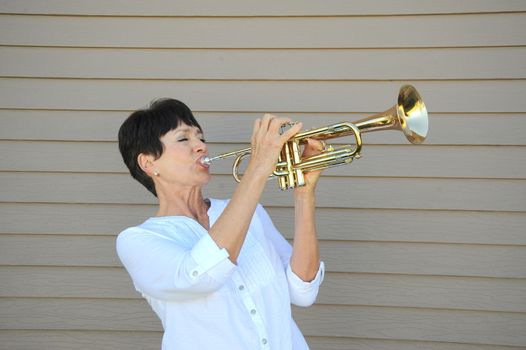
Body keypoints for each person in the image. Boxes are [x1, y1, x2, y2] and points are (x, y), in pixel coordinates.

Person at [116, 98, 325, 350]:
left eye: (201, 138)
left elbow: (302, 291)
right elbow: (201, 276)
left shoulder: (251, 213)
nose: (201, 147)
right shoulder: (137, 240)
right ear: (148, 163)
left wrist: (304, 193)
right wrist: (257, 168)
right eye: (184, 139)